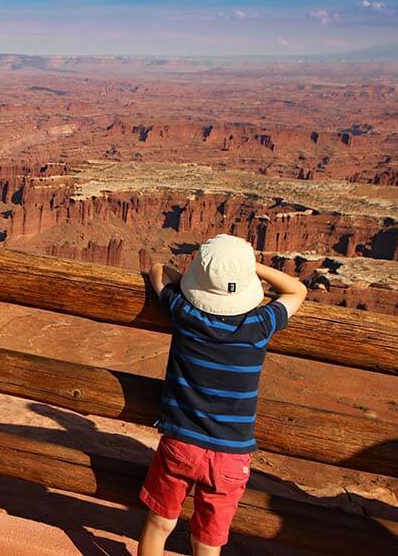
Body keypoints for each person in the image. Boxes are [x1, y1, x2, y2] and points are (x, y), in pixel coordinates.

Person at [138, 234, 307, 556]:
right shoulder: (259, 323)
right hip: (231, 454)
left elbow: (159, 270)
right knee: (207, 539)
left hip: (180, 444)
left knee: (159, 524)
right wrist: (249, 268)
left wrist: (203, 272)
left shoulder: (186, 315)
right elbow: (296, 290)